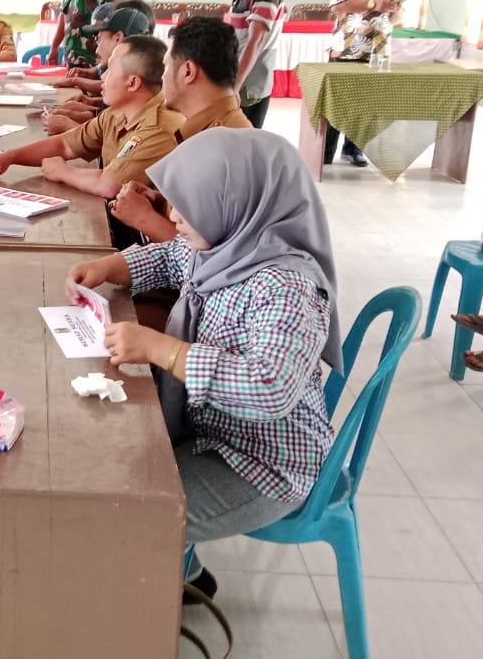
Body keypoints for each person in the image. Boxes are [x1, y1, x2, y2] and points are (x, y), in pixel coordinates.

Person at [66, 128, 340, 602]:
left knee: (128, 509)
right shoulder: (226, 246)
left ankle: (145, 605)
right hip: (212, 427)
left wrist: (162, 350)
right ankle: (185, 567)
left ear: (236, 203)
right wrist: (111, 267)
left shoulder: (286, 287)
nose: (172, 217)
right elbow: (169, 258)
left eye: (187, 206)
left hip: (262, 463)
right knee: (111, 461)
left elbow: (270, 387)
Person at [0, 36, 181, 210]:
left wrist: (62, 172)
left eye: (110, 70)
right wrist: (10, 157)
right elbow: (65, 144)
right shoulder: (118, 112)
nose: (103, 77)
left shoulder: (158, 128)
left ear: (133, 82)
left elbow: (109, 185)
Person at [110, 17, 255, 243]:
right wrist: (159, 200)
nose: (162, 77)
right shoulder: (211, 129)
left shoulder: (223, 146)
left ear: (188, 71)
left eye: (167, 66)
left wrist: (144, 218)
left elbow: (211, 251)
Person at [325, 0, 406, 167]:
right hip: (347, 49)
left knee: (367, 104)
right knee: (337, 103)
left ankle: (354, 149)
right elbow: (337, 5)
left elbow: (397, 16)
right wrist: (373, 4)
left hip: (378, 52)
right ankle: (325, 151)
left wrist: (396, 12)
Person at [218, 0, 284, 129]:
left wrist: (235, 86)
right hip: (237, 80)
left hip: (247, 86)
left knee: (243, 142)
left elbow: (256, 40)